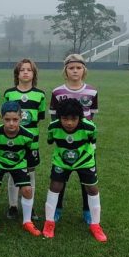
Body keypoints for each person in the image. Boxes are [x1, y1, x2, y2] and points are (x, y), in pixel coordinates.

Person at [41, 98, 107, 242]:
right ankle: (49, 222)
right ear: (59, 117)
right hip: (61, 161)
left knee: (92, 188)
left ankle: (96, 225)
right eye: (65, 119)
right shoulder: (53, 127)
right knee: (55, 186)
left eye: (73, 119)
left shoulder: (89, 127)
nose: (69, 123)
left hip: (84, 160)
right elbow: (51, 141)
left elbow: (92, 141)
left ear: (80, 117)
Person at [49, 54, 98, 224]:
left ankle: (87, 210)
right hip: (64, 144)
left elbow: (91, 117)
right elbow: (54, 119)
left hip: (84, 145)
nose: (75, 71)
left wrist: (87, 138)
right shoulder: (57, 92)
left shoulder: (92, 92)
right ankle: (57, 208)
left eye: (78, 68)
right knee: (59, 179)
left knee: (87, 180)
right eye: (71, 68)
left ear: (84, 70)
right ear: (65, 70)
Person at [0, 101, 41, 236]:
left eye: (15, 119)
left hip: (18, 163)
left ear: (21, 118)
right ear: (1, 117)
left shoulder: (28, 136)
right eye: (7, 120)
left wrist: (26, 167)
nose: (11, 123)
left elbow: (29, 153)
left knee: (27, 190)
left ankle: (27, 221)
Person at [3, 58, 46, 221]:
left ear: (34, 74)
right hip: (13, 139)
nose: (26, 72)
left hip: (31, 140)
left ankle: (29, 204)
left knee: (30, 172)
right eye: (22, 70)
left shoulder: (40, 95)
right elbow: (6, 116)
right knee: (13, 172)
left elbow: (39, 117)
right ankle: (13, 205)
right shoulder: (10, 93)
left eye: (29, 70)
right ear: (17, 74)